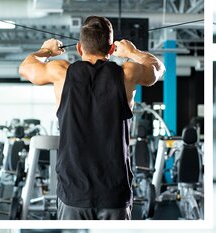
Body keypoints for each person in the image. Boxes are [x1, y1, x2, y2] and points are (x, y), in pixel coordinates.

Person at [19, 16, 165, 220]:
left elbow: (25, 68)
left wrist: (46, 50)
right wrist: (132, 52)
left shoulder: (61, 72)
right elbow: (158, 68)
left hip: (74, 194)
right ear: (112, 49)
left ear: (79, 48)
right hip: (114, 193)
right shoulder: (127, 72)